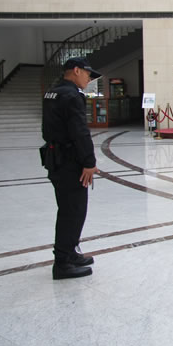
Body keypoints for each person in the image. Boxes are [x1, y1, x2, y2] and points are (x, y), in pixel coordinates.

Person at [41, 57, 101, 280]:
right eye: (87, 74)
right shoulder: (72, 95)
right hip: (69, 162)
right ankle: (63, 262)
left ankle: (70, 253)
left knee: (68, 209)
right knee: (73, 211)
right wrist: (89, 162)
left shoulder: (53, 92)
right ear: (76, 70)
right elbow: (80, 132)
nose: (89, 78)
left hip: (56, 158)